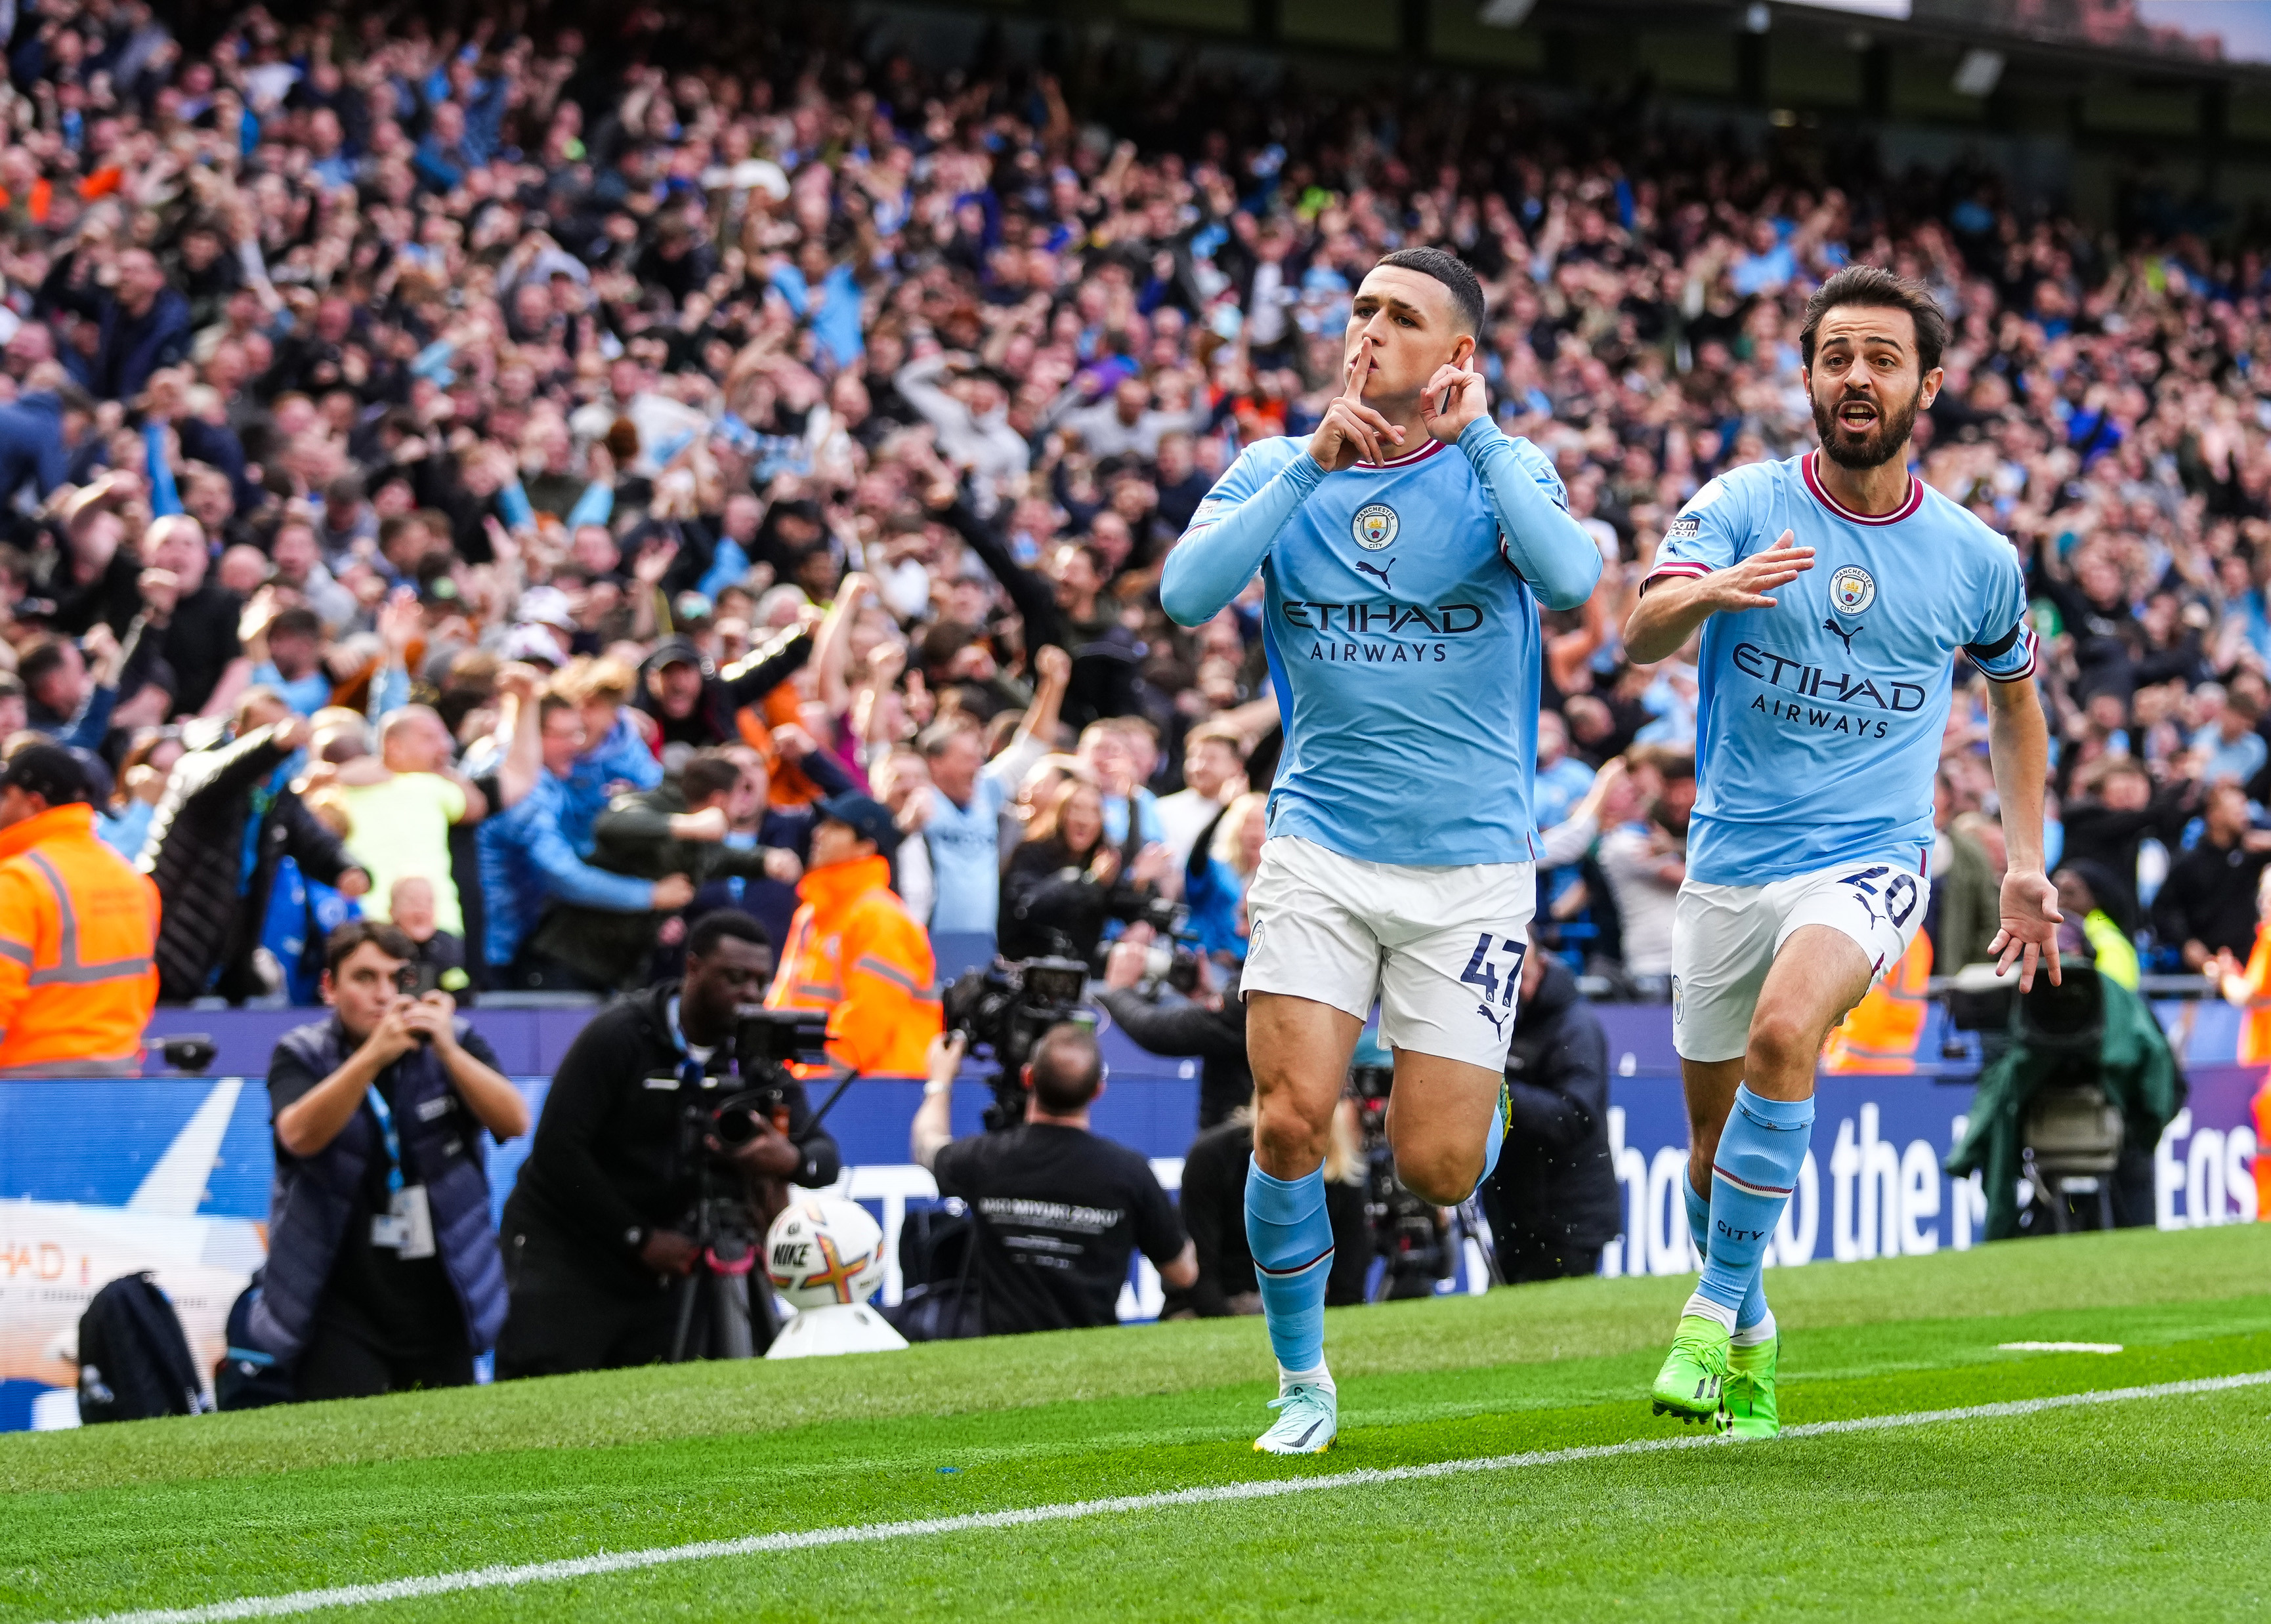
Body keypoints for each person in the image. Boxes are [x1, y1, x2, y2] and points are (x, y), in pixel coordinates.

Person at [1158, 246, 1602, 1453]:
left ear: (1455, 354)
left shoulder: (1499, 472)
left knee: (1440, 1166)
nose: (1369, 331)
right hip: (1320, 847)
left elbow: (1571, 578)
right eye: (1358, 309)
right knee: (1291, 1121)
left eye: (1401, 316)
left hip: (1468, 872)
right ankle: (1303, 1384)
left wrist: (1486, 439)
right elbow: (1186, 598)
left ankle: (1476, 1092)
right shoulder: (1274, 472)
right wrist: (1308, 464)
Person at [1622, 264, 2058, 1438]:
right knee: (1711, 1159)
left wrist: (2024, 858)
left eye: (1880, 357)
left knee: (1784, 1033)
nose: (1856, 376)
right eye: (1836, 356)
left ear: (1927, 383)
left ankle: (1709, 1314)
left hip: (1871, 852)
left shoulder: (1976, 556)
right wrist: (1713, 590)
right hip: (1729, 860)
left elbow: (2017, 701)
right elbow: (1635, 635)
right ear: (1810, 376)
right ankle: (1757, 1329)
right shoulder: (1742, 503)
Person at [496, 911, 841, 1376]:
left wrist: (789, 1158)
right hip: (574, 1248)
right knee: (548, 1391)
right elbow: (559, 1151)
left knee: (655, 1399)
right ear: (694, 967)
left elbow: (825, 1157)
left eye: (761, 980)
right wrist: (637, 1236)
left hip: (671, 1263)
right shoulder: (622, 1034)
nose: (750, 994)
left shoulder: (755, 1053)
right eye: (735, 977)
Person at [253, 921, 527, 1400]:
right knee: (345, 1459)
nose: (383, 994)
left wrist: (445, 1047)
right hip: (337, 1301)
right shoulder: (301, 1052)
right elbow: (298, 1135)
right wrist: (371, 1058)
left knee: (448, 1461)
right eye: (364, 977)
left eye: (397, 978)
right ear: (329, 987)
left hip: (443, 1294)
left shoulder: (453, 1039)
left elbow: (515, 1121)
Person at [911, 1024, 1197, 1335]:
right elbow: (1183, 1272)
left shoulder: (986, 1158)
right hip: (1093, 1358)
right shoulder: (1130, 1172)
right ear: (1097, 1091)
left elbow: (927, 1145)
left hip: (1001, 1354)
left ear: (1028, 1077)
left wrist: (939, 1081)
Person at [140, 695, 371, 1003]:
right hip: (171, 930)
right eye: (263, 728)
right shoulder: (196, 764)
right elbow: (219, 777)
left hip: (231, 931)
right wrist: (272, 743)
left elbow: (313, 838)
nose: (278, 738)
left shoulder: (277, 791)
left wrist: (345, 868)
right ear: (236, 730)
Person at [524, 750, 799, 991]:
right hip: (568, 959)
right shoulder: (658, 803)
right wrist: (684, 826)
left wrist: (766, 860)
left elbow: (721, 859)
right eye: (740, 794)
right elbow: (612, 823)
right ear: (718, 799)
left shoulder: (700, 842)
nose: (742, 806)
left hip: (614, 969)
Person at [0, 743, 160, 1075]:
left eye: (6, 797)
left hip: (26, 1086)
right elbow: (144, 985)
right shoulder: (130, 878)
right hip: (115, 1078)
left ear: (33, 802)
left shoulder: (19, 882)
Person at [763, 792, 941, 1077]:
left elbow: (867, 1023)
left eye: (836, 827)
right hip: (822, 1093)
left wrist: (810, 1083)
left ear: (866, 847)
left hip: (875, 1094)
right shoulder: (811, 915)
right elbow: (783, 1004)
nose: (818, 833)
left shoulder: (881, 917)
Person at [1480, 938, 1619, 1282]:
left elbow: (1572, 1116)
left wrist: (1494, 1090)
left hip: (1566, 1223)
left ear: (1541, 966)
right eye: (1504, 980)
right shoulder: (1499, 1023)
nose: (1513, 991)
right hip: (1515, 1217)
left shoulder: (1576, 1026)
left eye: (1520, 977)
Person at [916, 644, 1068, 936]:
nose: (977, 767)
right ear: (935, 763)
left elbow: (1031, 746)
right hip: (923, 942)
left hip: (980, 942)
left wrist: (1053, 685)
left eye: (977, 758)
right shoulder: (916, 799)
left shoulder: (985, 789)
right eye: (966, 760)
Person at [1172, 1097, 1370, 1319]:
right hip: (1216, 1306)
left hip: (1301, 1311)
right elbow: (1199, 1275)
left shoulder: (1340, 1170)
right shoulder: (1212, 1157)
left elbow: (1349, 1286)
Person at [334, 706, 488, 942]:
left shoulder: (433, 784)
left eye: (444, 737)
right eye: (429, 738)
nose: (444, 747)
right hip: (369, 919)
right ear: (394, 745)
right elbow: (308, 790)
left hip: (436, 923)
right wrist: (344, 775)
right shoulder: (348, 786)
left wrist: (445, 771)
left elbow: (476, 807)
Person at [1000, 778, 1172, 965]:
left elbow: (1123, 906)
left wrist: (1140, 883)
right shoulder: (1031, 851)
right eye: (1076, 809)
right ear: (1059, 813)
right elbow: (1029, 907)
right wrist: (1089, 881)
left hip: (1080, 971)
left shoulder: (1103, 858)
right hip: (1027, 965)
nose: (1084, 820)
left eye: (1094, 812)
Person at [1098, 926, 1254, 1128]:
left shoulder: (1260, 993)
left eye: (1247, 917)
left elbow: (1156, 1031)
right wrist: (1207, 998)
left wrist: (1120, 990)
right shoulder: (1267, 985)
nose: (1240, 930)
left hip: (1236, 1144)